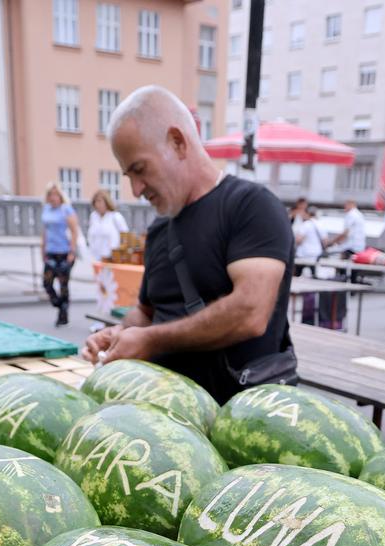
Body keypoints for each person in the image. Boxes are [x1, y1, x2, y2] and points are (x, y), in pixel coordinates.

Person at [82, 85, 296, 403]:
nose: (136, 189)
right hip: (166, 414)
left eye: (139, 170)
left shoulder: (251, 207)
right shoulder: (160, 229)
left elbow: (250, 313)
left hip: (237, 415)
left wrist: (150, 340)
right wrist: (120, 334)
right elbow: (147, 310)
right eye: (128, 175)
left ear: (178, 142)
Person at [41, 181, 78, 326]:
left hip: (64, 252)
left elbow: (74, 232)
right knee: (47, 282)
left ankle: (63, 315)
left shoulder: (66, 210)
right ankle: (59, 304)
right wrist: (42, 249)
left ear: (60, 196)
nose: (53, 197)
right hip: (51, 251)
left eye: (55, 194)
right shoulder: (46, 210)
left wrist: (72, 252)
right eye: (50, 194)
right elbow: (44, 232)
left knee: (63, 284)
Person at [86, 190, 129, 261]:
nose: (97, 204)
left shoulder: (115, 216)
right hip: (96, 258)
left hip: (111, 259)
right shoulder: (93, 216)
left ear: (106, 202)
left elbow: (125, 236)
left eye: (100, 201)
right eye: (95, 202)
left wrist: (118, 254)